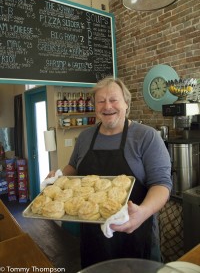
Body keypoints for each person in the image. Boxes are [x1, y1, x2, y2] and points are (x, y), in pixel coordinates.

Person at [48, 77, 172, 269]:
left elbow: (162, 184)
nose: (107, 106)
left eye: (114, 99)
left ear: (126, 103)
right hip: (93, 238)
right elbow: (72, 168)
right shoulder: (85, 137)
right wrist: (58, 179)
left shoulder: (146, 136)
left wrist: (143, 213)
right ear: (95, 106)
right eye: (101, 101)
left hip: (135, 235)